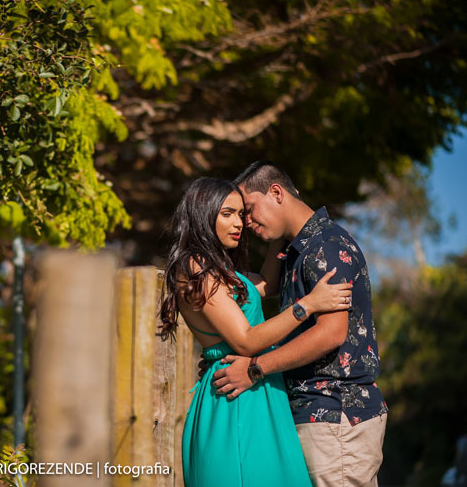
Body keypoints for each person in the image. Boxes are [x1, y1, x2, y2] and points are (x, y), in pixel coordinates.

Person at [158, 177, 352, 487]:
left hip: (255, 389)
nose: (240, 223)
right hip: (236, 395)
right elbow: (245, 340)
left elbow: (265, 284)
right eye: (227, 214)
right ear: (203, 214)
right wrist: (308, 305)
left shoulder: (219, 270)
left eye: (240, 214)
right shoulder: (195, 267)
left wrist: (281, 232)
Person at [211, 161, 389, 486]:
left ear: (276, 193)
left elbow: (331, 333)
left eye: (248, 210)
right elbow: (266, 284)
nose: (245, 222)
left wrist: (255, 369)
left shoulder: (325, 248)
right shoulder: (301, 249)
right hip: (321, 416)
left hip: (335, 414)